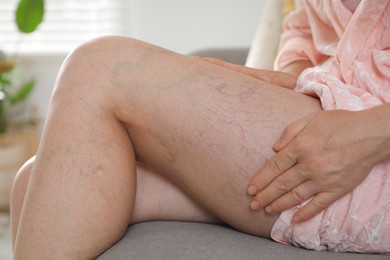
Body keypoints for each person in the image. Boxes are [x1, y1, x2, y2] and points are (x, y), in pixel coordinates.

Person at [10, 0, 389, 258]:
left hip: (374, 141)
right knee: (32, 182)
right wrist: (280, 81)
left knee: (100, 66)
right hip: (327, 99)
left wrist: (370, 132)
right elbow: (303, 30)